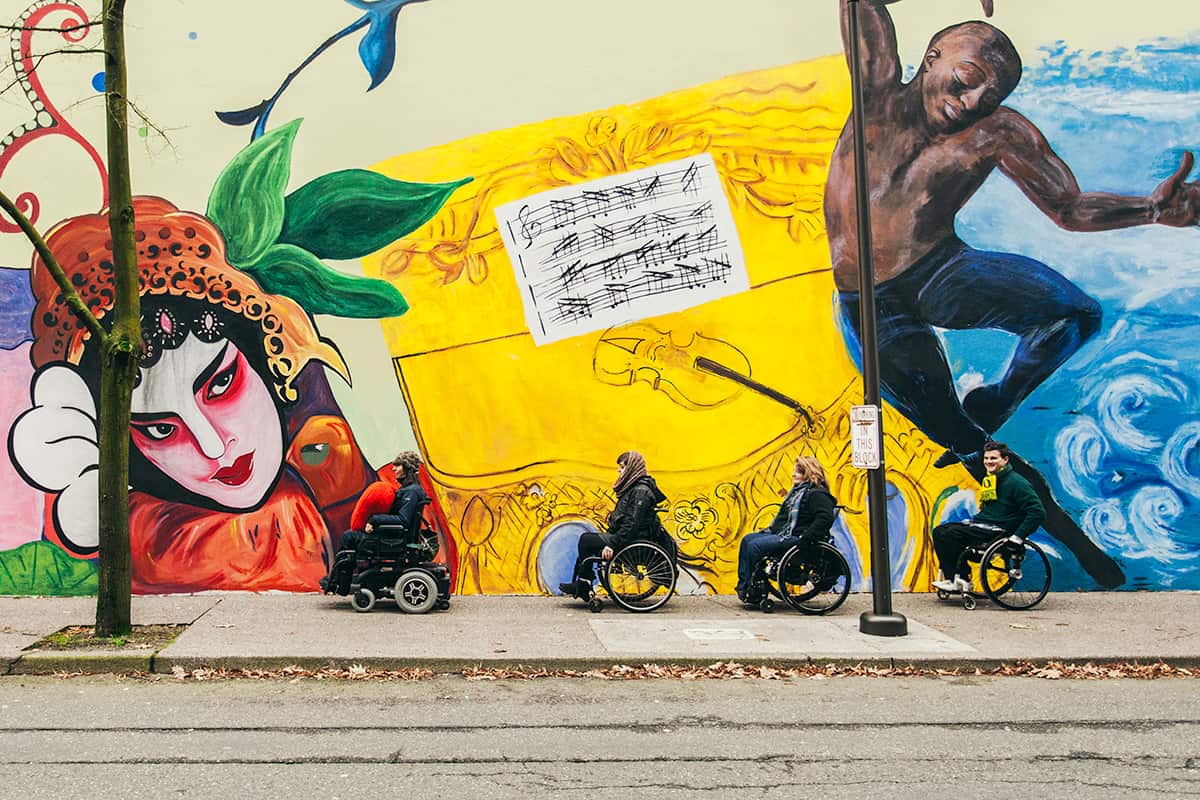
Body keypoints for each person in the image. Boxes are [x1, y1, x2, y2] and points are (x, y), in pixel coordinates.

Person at [827, 0, 1200, 476]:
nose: (968, 104)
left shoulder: (998, 132)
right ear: (933, 55)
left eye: (986, 98)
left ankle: (996, 401)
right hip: (870, 302)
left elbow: (1068, 208)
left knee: (1077, 316)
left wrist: (1149, 210)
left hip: (942, 270)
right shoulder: (877, 87)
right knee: (961, 438)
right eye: (965, 81)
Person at [10, 196, 353, 592]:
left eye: (221, 384)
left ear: (267, 359)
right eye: (159, 430)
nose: (213, 447)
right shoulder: (166, 544)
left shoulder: (322, 460)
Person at [931, 441, 1045, 592]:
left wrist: (1018, 536)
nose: (988, 462)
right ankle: (955, 578)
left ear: (1005, 460)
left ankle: (961, 579)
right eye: (986, 458)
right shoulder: (990, 479)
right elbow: (989, 508)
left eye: (993, 458)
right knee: (940, 531)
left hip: (999, 530)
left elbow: (1037, 511)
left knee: (950, 535)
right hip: (983, 525)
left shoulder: (1016, 482)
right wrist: (974, 521)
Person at [559, 451, 667, 599]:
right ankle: (583, 582)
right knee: (588, 541)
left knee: (586, 540)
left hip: (633, 541)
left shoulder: (641, 492)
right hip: (628, 537)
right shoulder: (635, 489)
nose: (618, 470)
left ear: (632, 468)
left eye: (622, 467)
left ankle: (584, 584)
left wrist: (612, 545)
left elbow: (631, 526)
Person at [734, 456, 837, 603]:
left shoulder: (817, 494)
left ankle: (749, 588)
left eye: (799, 472)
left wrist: (808, 537)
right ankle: (746, 585)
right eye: (795, 471)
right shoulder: (799, 493)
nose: (794, 474)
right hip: (789, 534)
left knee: (754, 546)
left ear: (810, 473)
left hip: (799, 538)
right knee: (748, 539)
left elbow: (825, 518)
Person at [337, 451, 429, 555]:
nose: (393, 469)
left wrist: (374, 520)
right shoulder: (411, 490)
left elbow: (404, 520)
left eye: (398, 465)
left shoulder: (411, 492)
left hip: (393, 541)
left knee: (348, 536)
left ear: (407, 468)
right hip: (393, 537)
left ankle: (343, 571)